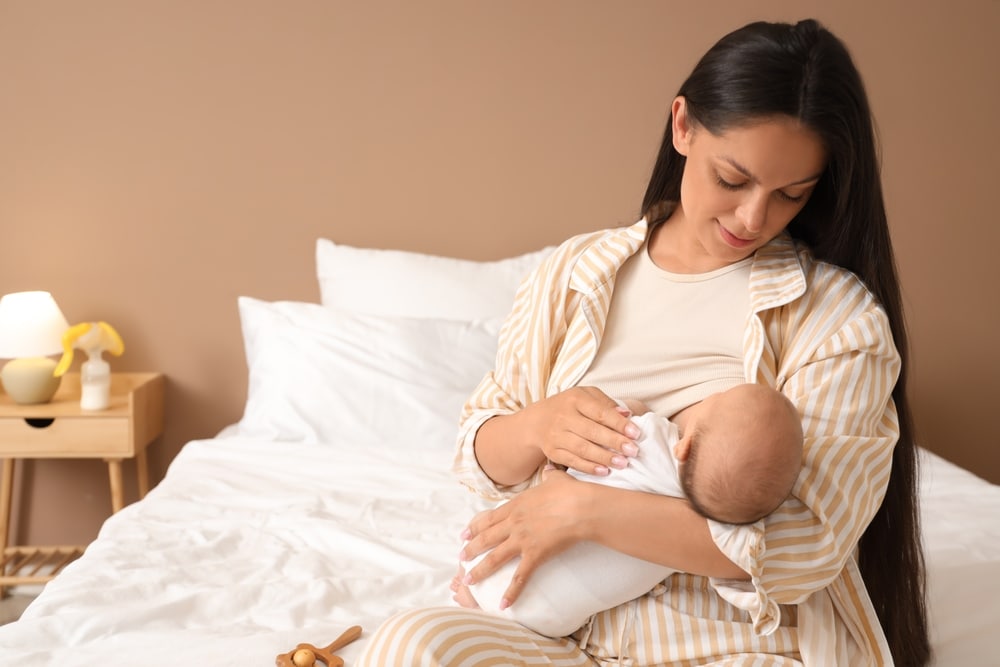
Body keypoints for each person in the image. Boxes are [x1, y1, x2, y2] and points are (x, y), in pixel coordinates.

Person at [359, 17, 929, 666]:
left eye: (790, 195)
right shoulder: (575, 272)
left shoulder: (839, 319)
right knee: (412, 645)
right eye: (733, 179)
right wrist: (535, 427)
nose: (753, 218)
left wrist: (586, 511)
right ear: (683, 126)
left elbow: (807, 544)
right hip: (555, 637)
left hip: (732, 644)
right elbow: (477, 457)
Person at [452, 383, 805, 638]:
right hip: (553, 622)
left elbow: (627, 411)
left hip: (509, 571)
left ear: (685, 447)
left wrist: (630, 408)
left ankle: (476, 594)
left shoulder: (651, 442)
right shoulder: (703, 523)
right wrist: (535, 424)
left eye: (718, 398)